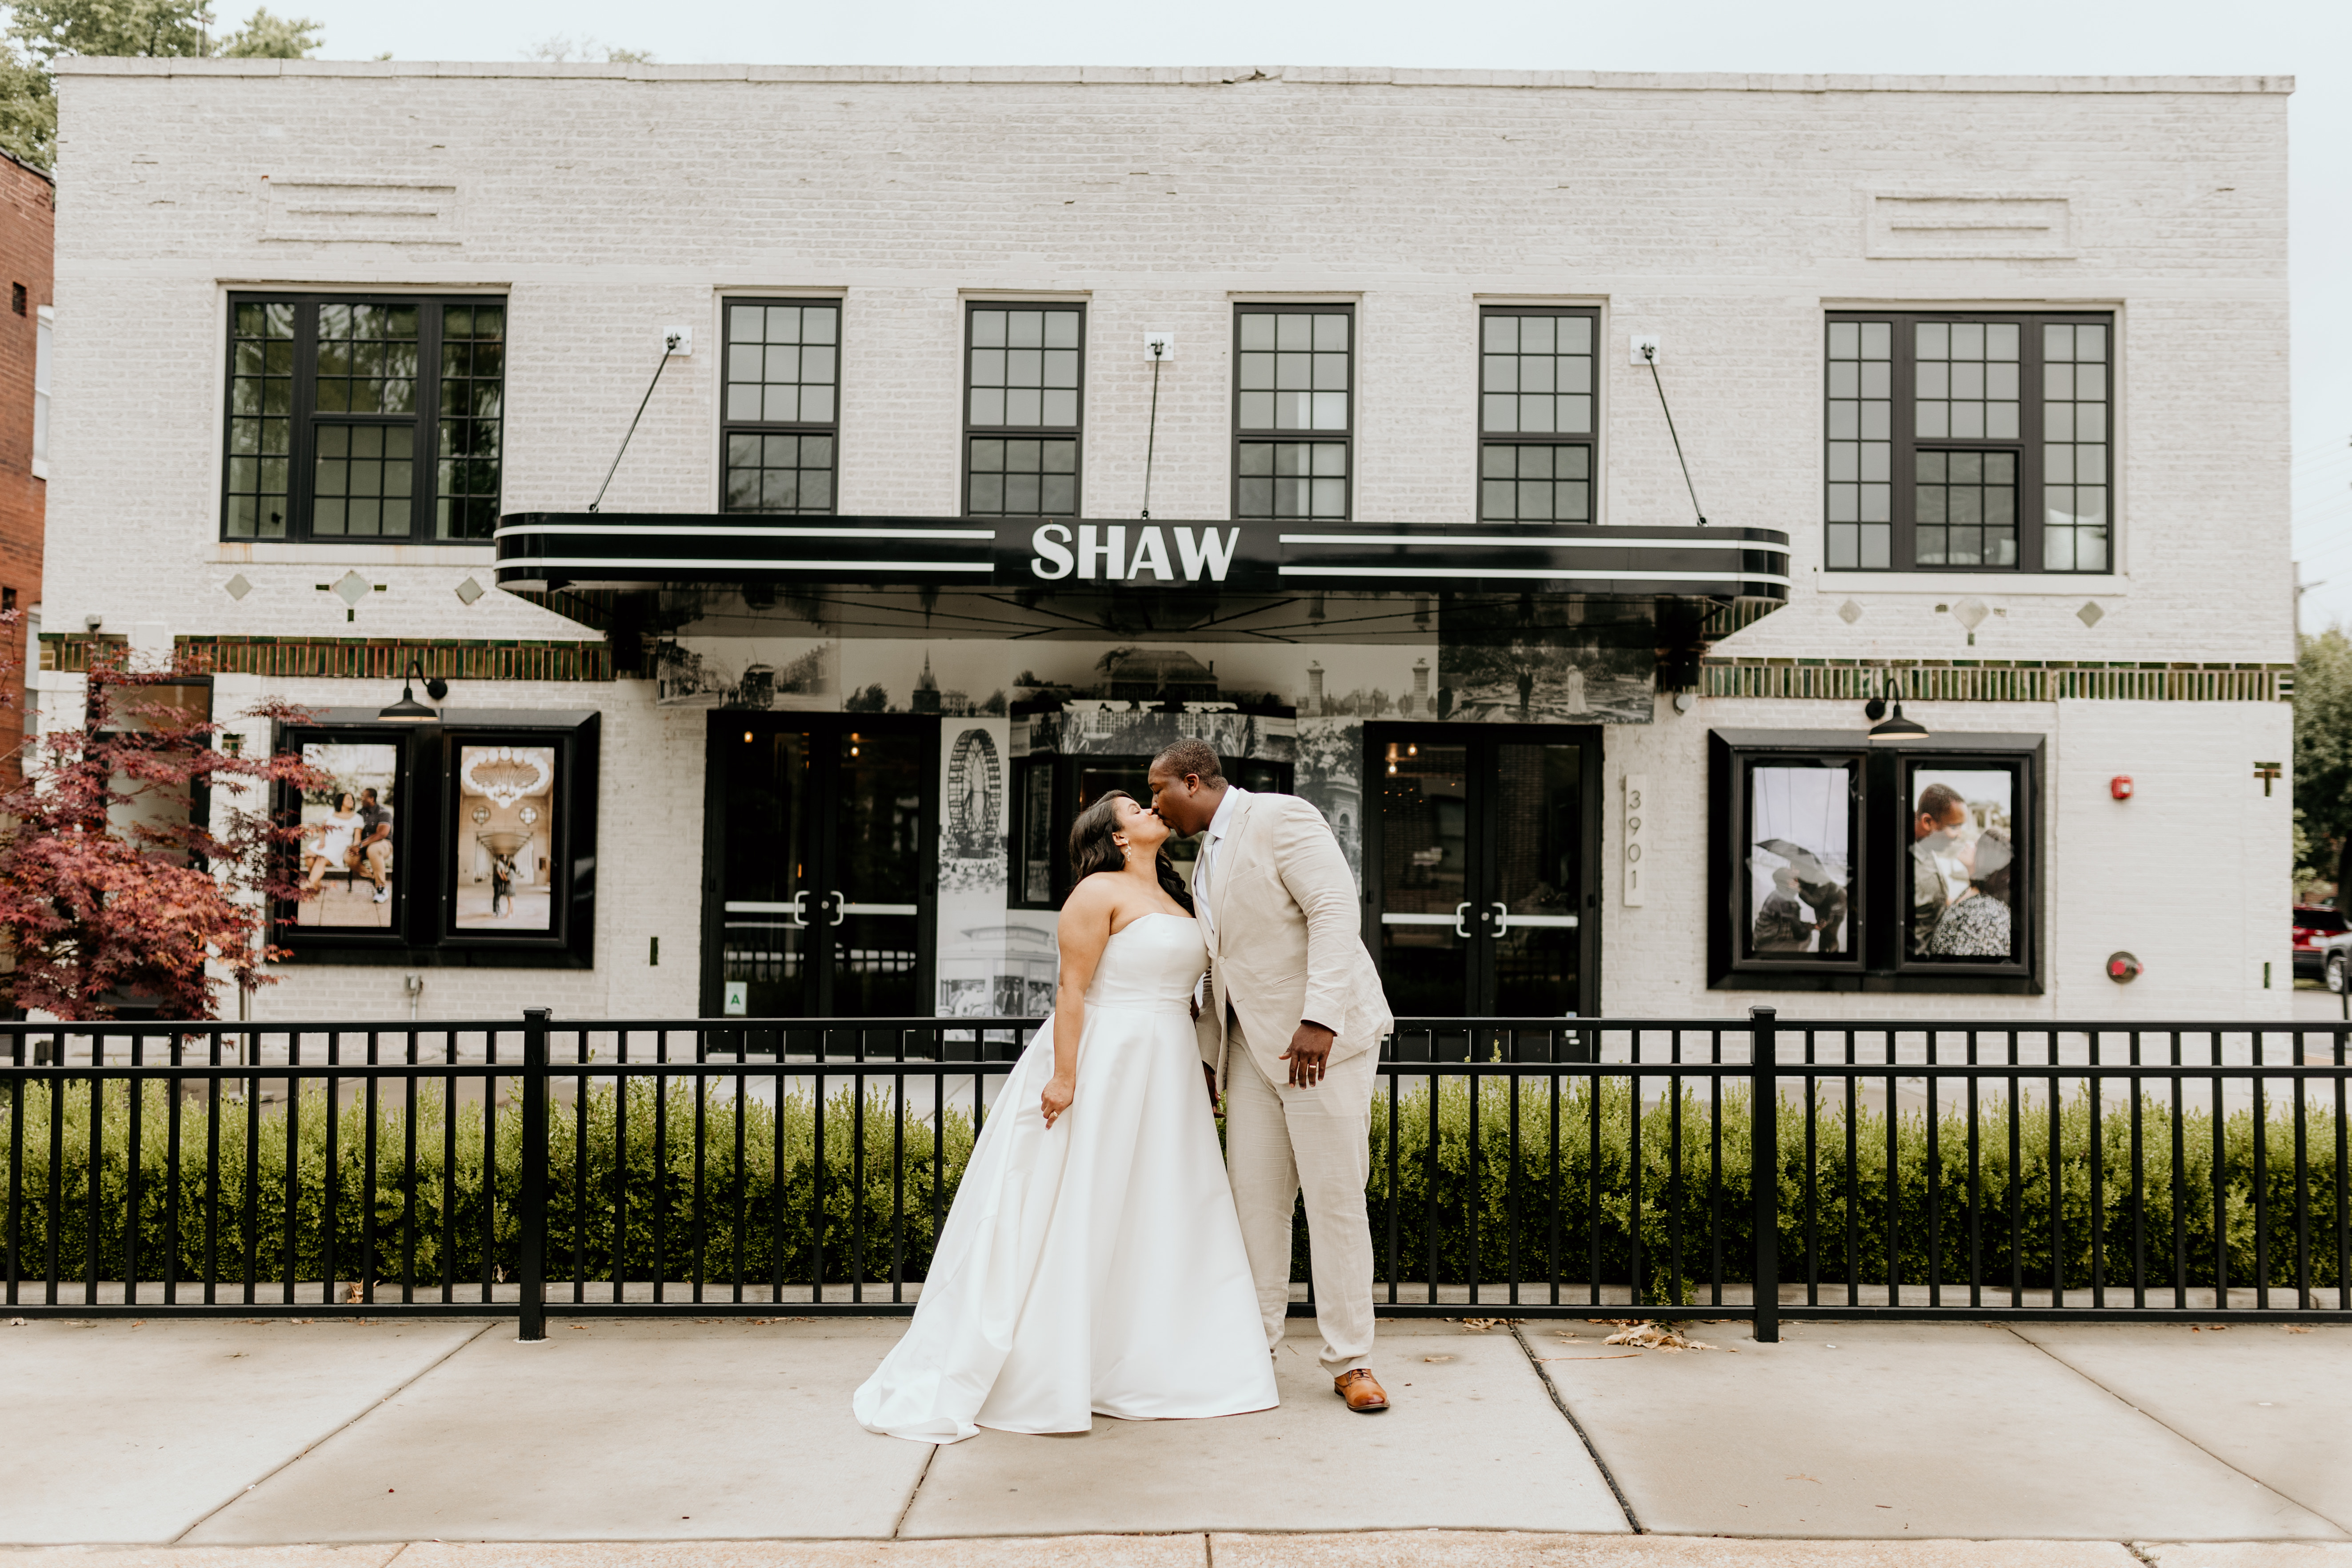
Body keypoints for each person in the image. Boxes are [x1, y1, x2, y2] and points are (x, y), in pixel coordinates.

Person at [852, 790, 1275, 1443]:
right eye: (1135, 809)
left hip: (1167, 1068)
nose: (1151, 811)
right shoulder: (1096, 894)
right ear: (1116, 836)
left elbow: (1195, 996)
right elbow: (1071, 990)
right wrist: (1064, 1075)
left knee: (1163, 1204)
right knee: (1087, 1199)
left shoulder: (1180, 895)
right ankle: (1055, 1363)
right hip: (1108, 1061)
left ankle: (1160, 1360)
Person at [1148, 738, 1397, 1416]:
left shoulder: (1281, 817)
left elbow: (1335, 911)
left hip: (1320, 1049)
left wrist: (1320, 1019)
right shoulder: (1202, 860)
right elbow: (1220, 970)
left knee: (1336, 1202)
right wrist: (1207, 1057)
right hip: (1254, 1055)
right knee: (1254, 1207)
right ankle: (1252, 1350)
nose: (1154, 806)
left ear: (1192, 782)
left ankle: (1351, 1362)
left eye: (1158, 792)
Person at [1928, 827, 2015, 959]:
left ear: (1985, 859)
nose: (1968, 844)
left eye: (1976, 845)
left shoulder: (1986, 914)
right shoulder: (1971, 891)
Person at [1910, 782, 1970, 956]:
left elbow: (1935, 903)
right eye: (1954, 827)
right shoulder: (1906, 866)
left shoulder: (1927, 845)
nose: (1959, 835)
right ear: (1928, 822)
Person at [302, 793, 362, 892]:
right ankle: (316, 884)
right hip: (326, 842)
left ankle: (309, 884)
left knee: (321, 858)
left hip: (341, 846)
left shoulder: (357, 818)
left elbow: (357, 839)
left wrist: (354, 848)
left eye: (352, 799)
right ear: (340, 801)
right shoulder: (331, 813)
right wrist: (322, 842)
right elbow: (323, 830)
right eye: (348, 799)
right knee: (309, 855)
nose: (351, 801)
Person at [1752, 865, 1813, 952]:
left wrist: (1808, 926)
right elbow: (1799, 933)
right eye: (1795, 880)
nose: (1798, 883)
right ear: (1788, 883)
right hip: (1769, 945)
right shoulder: (1785, 901)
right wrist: (1809, 929)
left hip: (1763, 941)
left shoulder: (1778, 895)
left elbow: (1790, 923)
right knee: (1806, 938)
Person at [354, 787, 394, 905]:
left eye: (363, 796)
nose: (361, 798)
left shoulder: (384, 813)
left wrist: (361, 845)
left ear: (372, 799)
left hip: (384, 845)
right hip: (364, 846)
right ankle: (374, 878)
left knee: (374, 849)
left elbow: (381, 834)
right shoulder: (359, 813)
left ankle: (381, 889)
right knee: (349, 856)